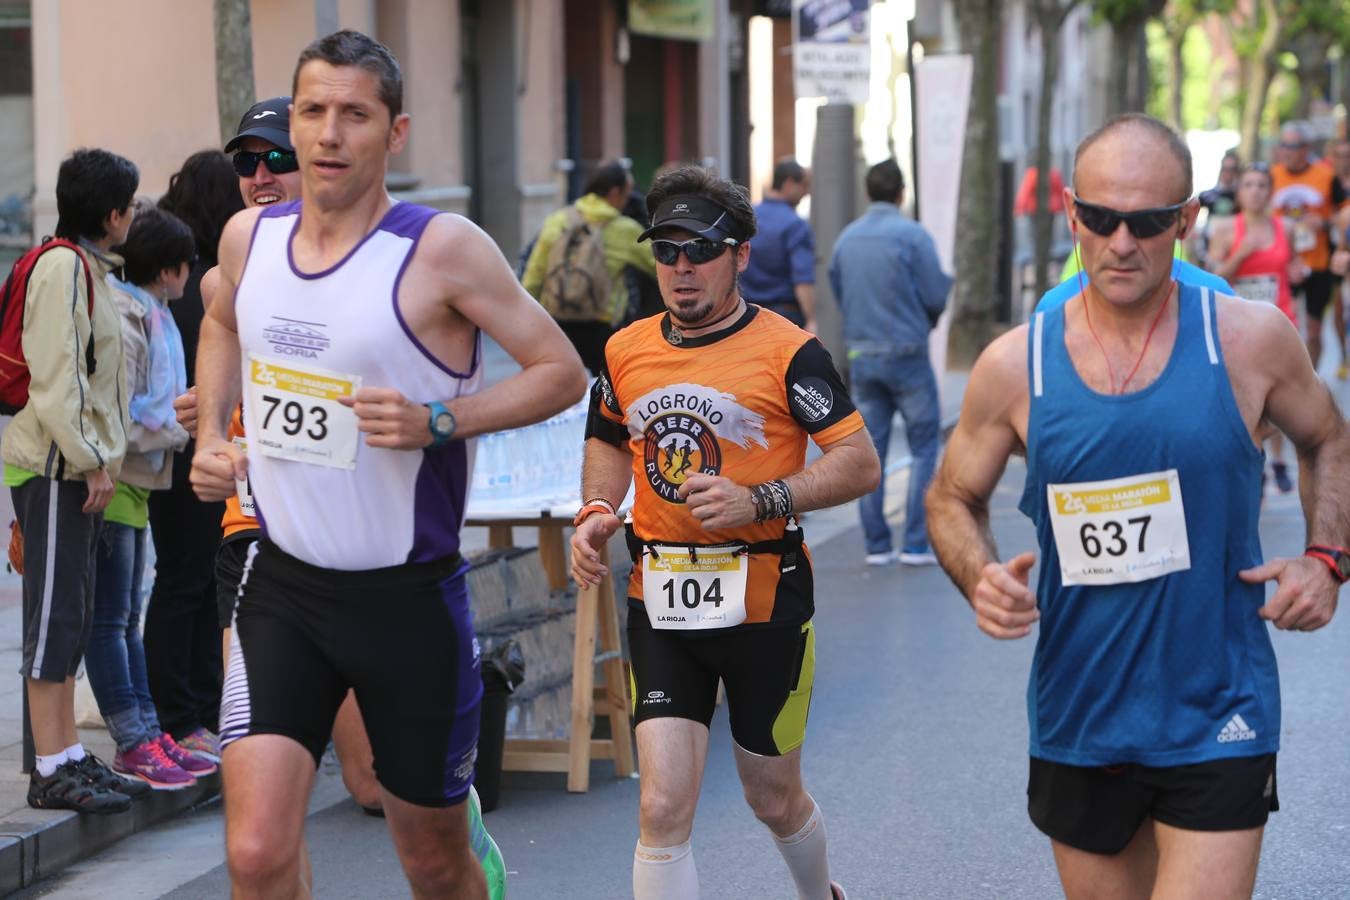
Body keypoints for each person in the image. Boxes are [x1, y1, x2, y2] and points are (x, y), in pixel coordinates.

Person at [189, 30, 586, 898]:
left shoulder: (441, 250)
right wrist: (212, 435)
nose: (329, 133)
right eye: (313, 111)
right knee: (255, 854)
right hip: (281, 587)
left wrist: (440, 420)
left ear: (395, 132)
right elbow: (221, 319)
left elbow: (562, 372)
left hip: (408, 602)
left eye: (355, 114)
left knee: (432, 862)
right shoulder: (249, 239)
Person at [926, 113, 1350, 899]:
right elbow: (953, 495)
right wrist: (977, 574)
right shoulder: (1016, 366)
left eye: (1149, 221)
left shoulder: (1249, 341)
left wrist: (1327, 559)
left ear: (1187, 219)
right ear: (1070, 211)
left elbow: (1329, 438)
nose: (1122, 243)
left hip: (1220, 708)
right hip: (1082, 712)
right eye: (1101, 217)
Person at [570, 165, 879, 900]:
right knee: (661, 806)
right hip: (661, 600)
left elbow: (859, 462)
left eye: (701, 250)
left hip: (765, 602)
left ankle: (818, 894)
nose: (681, 268)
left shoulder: (789, 352)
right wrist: (596, 509)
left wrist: (760, 498)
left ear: (740, 255)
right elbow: (607, 439)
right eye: (666, 250)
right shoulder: (625, 349)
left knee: (772, 796)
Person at [174, 95, 386, 814]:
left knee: (372, 783)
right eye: (246, 162)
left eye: (278, 159)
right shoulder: (226, 275)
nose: (261, 175)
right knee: (257, 791)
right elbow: (226, 375)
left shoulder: (379, 266)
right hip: (256, 537)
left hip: (355, 537)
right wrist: (209, 419)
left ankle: (458, 831)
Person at [4, 149, 136, 813]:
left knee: (71, 617)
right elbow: (61, 379)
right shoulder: (63, 268)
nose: (132, 216)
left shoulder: (85, 267)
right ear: (111, 214)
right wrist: (91, 461)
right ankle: (50, 769)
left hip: (71, 467)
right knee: (54, 619)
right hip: (56, 468)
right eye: (129, 206)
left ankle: (68, 756)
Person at [93, 206, 216, 788]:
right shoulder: (130, 318)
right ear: (168, 270)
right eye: (188, 264)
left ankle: (149, 731)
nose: (193, 273)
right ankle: (134, 738)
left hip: (140, 478)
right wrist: (182, 431)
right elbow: (130, 409)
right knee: (111, 618)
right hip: (116, 478)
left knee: (127, 614)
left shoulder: (154, 313)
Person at [145, 149, 243, 761]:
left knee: (198, 579)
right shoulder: (200, 286)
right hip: (190, 449)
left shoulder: (193, 279)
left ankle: (200, 709)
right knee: (189, 580)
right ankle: (181, 714)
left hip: (191, 450)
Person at [829, 159, 950, 567]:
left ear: (868, 192)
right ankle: (915, 543)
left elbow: (839, 290)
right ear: (901, 193)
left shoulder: (847, 239)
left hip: (863, 353)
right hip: (908, 351)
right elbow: (935, 294)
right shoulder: (913, 236)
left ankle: (877, 544)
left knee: (871, 449)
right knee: (924, 447)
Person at [1206, 163, 1307, 495]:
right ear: (1239, 191)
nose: (1255, 191)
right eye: (1248, 185)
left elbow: (1292, 263)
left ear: (1271, 191)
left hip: (1280, 320)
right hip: (1239, 325)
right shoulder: (1225, 228)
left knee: (1279, 395)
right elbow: (1213, 278)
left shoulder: (1285, 227)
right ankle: (1255, 461)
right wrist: (1241, 254)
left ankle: (1277, 461)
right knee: (1247, 397)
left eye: (1262, 185)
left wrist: (1298, 270)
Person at [522, 160, 656, 374]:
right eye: (626, 193)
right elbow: (659, 266)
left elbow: (534, 274)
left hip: (557, 322)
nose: (628, 199)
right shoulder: (625, 229)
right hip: (603, 325)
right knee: (607, 386)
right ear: (614, 192)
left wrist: (529, 323)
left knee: (562, 384)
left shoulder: (558, 220)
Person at [1270, 120, 1345, 368]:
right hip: (1283, 263)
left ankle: (1311, 379)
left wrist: (1324, 222)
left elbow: (1344, 213)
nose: (1287, 151)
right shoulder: (1272, 176)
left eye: (1292, 146)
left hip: (1317, 263)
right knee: (1282, 328)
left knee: (1313, 331)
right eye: (1283, 145)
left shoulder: (1326, 176)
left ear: (1306, 148)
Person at [741, 157, 817, 330]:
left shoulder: (748, 216)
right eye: (804, 185)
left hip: (746, 313)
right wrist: (811, 318)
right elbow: (803, 279)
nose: (806, 192)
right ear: (789, 184)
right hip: (784, 315)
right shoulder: (795, 225)